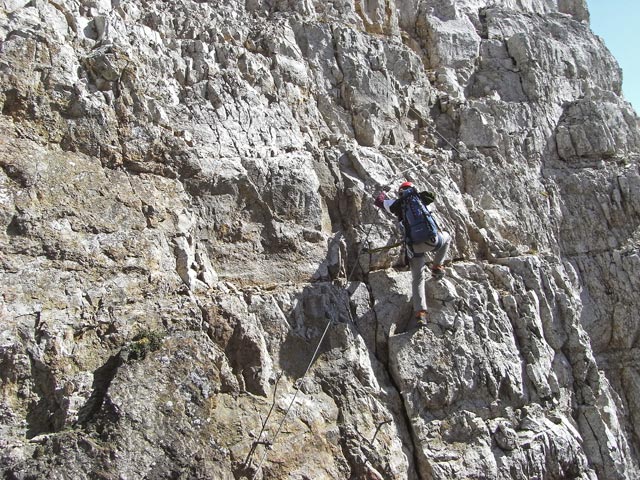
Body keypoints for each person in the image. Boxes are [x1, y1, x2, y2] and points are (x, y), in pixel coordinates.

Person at [374, 181, 451, 327]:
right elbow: (432, 196)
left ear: (400, 192)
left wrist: (383, 191)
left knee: (418, 278)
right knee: (447, 237)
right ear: (412, 189)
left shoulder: (397, 204)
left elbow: (379, 201)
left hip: (414, 247)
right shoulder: (420, 198)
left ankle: (420, 314)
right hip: (432, 241)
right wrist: (416, 193)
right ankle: (437, 267)